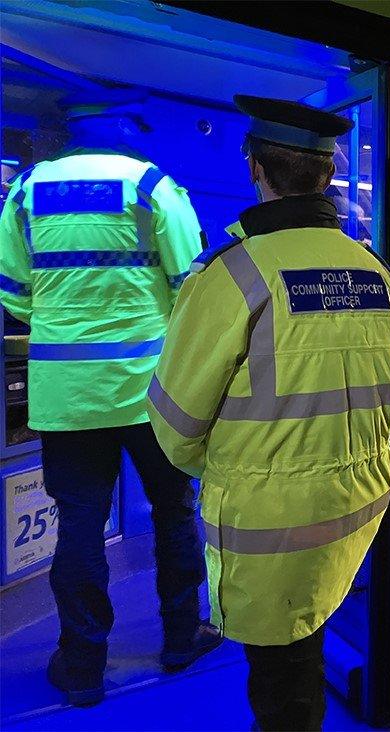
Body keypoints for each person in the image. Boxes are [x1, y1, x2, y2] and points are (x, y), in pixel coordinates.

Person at [147, 95, 390, 731]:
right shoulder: (375, 274)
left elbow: (175, 428)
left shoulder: (231, 276)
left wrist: (239, 470)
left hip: (266, 525)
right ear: (327, 176)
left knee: (280, 688)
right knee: (305, 655)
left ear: (254, 170)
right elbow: (387, 397)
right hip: (353, 512)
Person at [0, 88, 218, 706]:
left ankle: (82, 667)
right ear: (123, 127)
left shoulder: (24, 191)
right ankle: (180, 640)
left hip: (66, 398)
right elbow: (190, 289)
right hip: (151, 393)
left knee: (78, 527)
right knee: (175, 511)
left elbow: (13, 295)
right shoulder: (154, 187)